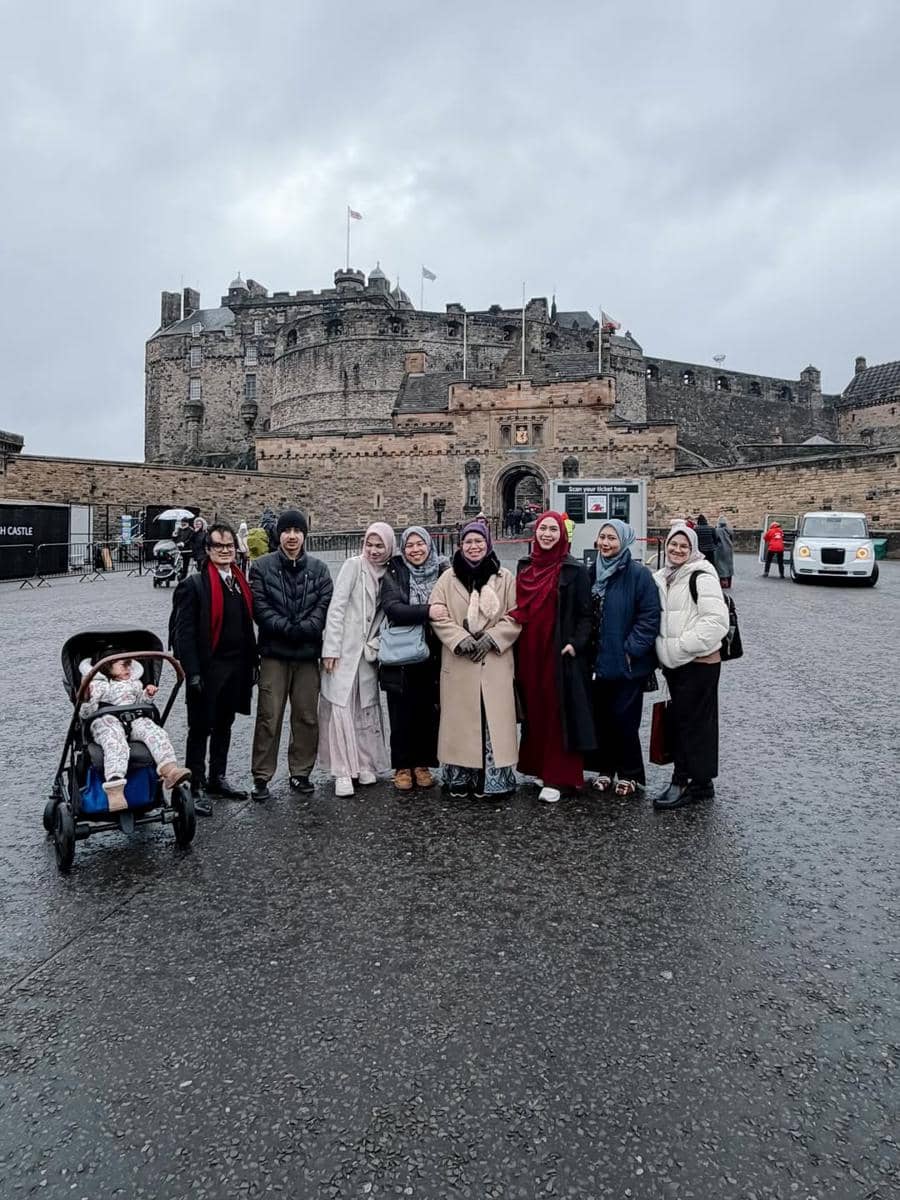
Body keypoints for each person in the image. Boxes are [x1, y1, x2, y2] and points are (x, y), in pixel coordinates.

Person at [429, 520, 521, 798]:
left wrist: (492, 637)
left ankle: (494, 779)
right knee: (462, 722)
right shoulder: (447, 578)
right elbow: (438, 613)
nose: (473, 546)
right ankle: (461, 777)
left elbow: (515, 615)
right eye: (468, 542)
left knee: (491, 720)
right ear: (461, 546)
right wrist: (460, 639)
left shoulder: (505, 578)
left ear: (488, 544)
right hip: (460, 661)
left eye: (478, 541)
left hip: (494, 660)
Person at [172, 522, 258, 815]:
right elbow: (183, 634)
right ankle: (193, 785)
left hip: (235, 667)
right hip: (207, 669)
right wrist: (192, 672)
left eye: (229, 546)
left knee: (225, 724)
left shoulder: (239, 581)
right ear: (208, 550)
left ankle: (216, 777)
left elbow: (247, 625)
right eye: (218, 546)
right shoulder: (194, 585)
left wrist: (253, 662)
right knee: (200, 728)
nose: (225, 551)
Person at [250, 509, 333, 801]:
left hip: (307, 655)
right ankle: (261, 776)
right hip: (274, 653)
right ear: (279, 535)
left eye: (298, 531)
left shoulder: (320, 570)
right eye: (287, 531)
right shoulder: (261, 568)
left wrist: (306, 629)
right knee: (269, 716)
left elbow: (323, 608)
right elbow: (260, 609)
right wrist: (290, 628)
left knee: (307, 716)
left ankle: (300, 772)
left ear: (304, 535)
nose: (292, 536)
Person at [512, 511, 594, 803]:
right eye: (543, 529)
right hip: (528, 650)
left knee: (557, 711)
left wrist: (575, 644)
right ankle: (539, 766)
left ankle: (559, 776)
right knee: (535, 710)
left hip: (558, 651)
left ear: (562, 534)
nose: (547, 534)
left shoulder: (574, 571)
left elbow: (587, 615)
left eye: (553, 530)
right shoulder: (524, 567)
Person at [652, 522, 729, 810]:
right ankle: (702, 783)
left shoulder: (701, 575)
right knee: (691, 723)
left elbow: (716, 623)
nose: (677, 549)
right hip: (676, 663)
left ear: (693, 549)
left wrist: (678, 648)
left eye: (684, 546)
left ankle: (682, 781)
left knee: (691, 724)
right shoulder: (663, 576)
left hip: (699, 662)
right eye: (674, 544)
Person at [319, 522, 396, 798]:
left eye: (380, 546)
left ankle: (363, 762)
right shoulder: (353, 566)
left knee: (365, 706)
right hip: (343, 649)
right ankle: (342, 770)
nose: (374, 551)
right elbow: (337, 607)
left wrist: (376, 644)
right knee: (341, 706)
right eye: (369, 545)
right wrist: (330, 648)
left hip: (367, 654)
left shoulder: (390, 573)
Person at [585, 520, 660, 797]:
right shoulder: (592, 573)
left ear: (624, 542)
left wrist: (631, 649)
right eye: (602, 537)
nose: (605, 543)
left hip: (627, 663)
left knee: (625, 721)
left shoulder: (639, 575)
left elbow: (650, 616)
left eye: (612, 539)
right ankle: (605, 770)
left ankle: (629, 774)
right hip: (597, 661)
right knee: (601, 718)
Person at [379, 526, 450, 792]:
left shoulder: (443, 570)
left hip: (434, 652)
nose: (416, 550)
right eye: (410, 545)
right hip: (402, 654)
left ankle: (422, 764)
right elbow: (393, 608)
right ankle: (401, 766)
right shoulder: (395, 570)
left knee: (427, 711)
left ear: (429, 545)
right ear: (403, 548)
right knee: (400, 712)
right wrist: (428, 611)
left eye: (420, 544)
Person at [79, 654, 191, 812]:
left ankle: (169, 770)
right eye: (123, 665)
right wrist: (87, 696)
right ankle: (115, 788)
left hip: (133, 718)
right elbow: (86, 713)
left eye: (130, 665)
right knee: (115, 741)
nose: (128, 669)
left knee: (154, 731)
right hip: (107, 721)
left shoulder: (134, 683)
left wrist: (147, 695)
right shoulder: (98, 685)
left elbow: (140, 704)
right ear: (107, 668)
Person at [714, 513, 735, 589]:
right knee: (729, 566)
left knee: (720, 566)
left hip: (720, 550)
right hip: (729, 549)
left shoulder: (717, 530)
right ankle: (729, 583)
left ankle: (721, 582)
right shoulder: (729, 530)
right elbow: (732, 540)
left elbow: (715, 540)